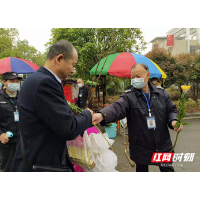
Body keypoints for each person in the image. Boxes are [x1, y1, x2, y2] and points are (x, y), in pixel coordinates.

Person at [11, 40, 93, 172]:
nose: (73, 70)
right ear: (59, 59)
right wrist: (88, 115)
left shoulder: (35, 79)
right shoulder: (45, 83)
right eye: (73, 65)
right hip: (42, 163)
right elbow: (69, 128)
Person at [92, 63, 183, 172]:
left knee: (167, 170)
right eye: (132, 77)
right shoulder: (128, 96)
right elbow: (117, 107)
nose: (135, 79)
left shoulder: (161, 93)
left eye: (138, 76)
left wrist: (174, 120)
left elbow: (172, 110)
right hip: (141, 147)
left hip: (163, 145)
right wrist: (102, 115)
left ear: (148, 75)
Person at [0, 72, 22, 172]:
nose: (15, 83)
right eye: (12, 81)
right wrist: (0, 134)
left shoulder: (23, 97)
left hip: (22, 141)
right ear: (4, 82)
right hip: (6, 142)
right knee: (6, 168)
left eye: (17, 81)